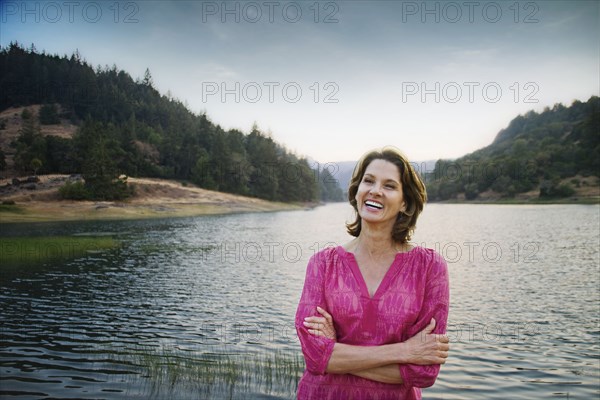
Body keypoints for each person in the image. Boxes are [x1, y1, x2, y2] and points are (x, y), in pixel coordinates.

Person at [295, 146, 450, 399]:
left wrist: (338, 353)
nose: (375, 190)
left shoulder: (429, 267)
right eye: (368, 181)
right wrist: (405, 351)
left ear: (405, 203)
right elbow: (315, 358)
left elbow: (425, 371)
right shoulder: (322, 264)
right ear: (356, 192)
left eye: (389, 185)